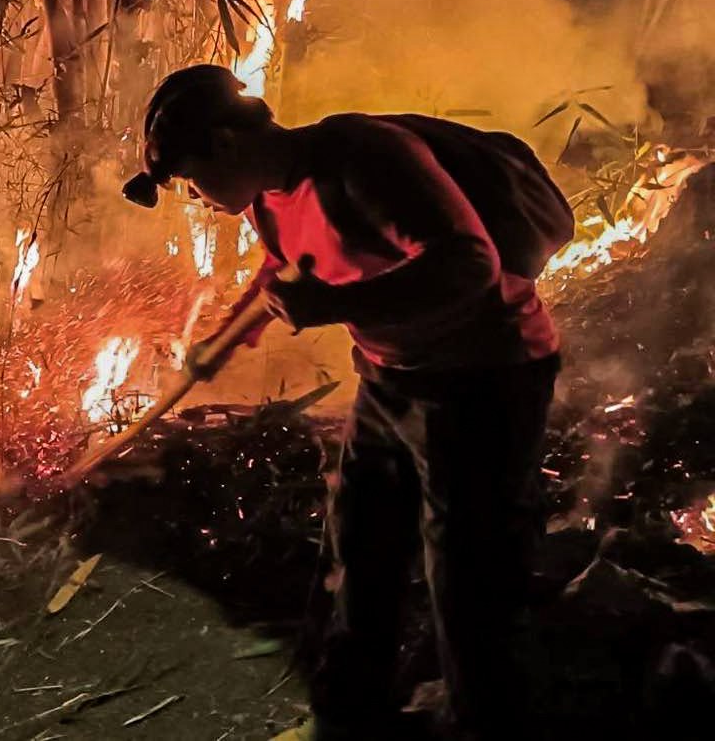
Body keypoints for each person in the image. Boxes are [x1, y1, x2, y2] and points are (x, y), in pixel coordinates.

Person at [124, 66, 562, 741]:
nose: (196, 197)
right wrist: (223, 340)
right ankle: (351, 712)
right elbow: (283, 268)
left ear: (225, 144)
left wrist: (334, 307)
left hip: (483, 382)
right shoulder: (269, 195)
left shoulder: (365, 158)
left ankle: (485, 721)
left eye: (190, 179)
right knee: (360, 539)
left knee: (468, 572)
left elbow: (468, 262)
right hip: (392, 382)